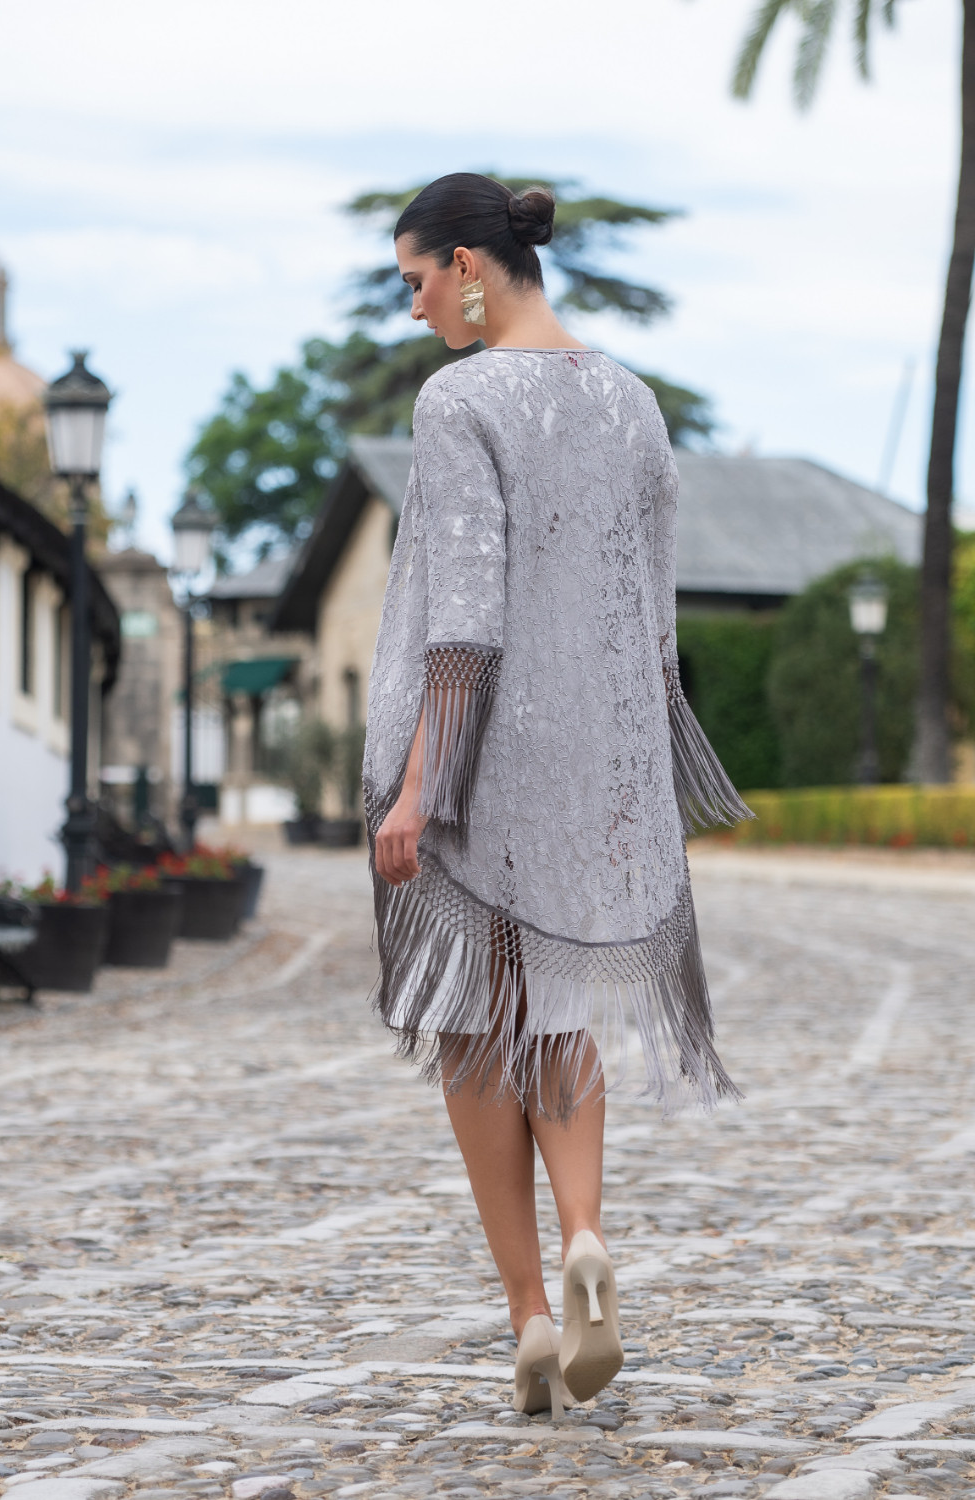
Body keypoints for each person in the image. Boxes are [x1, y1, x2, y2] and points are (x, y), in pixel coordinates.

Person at [363, 172, 749, 1422]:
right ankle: (586, 1232)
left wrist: (419, 787)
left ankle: (531, 1313)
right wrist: (643, 775)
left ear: (470, 267)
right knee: (556, 1010)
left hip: (483, 755)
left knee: (474, 1022)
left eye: (417, 280)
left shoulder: (459, 399)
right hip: (592, 755)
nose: (415, 307)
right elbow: (652, 615)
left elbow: (464, 621)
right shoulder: (630, 399)